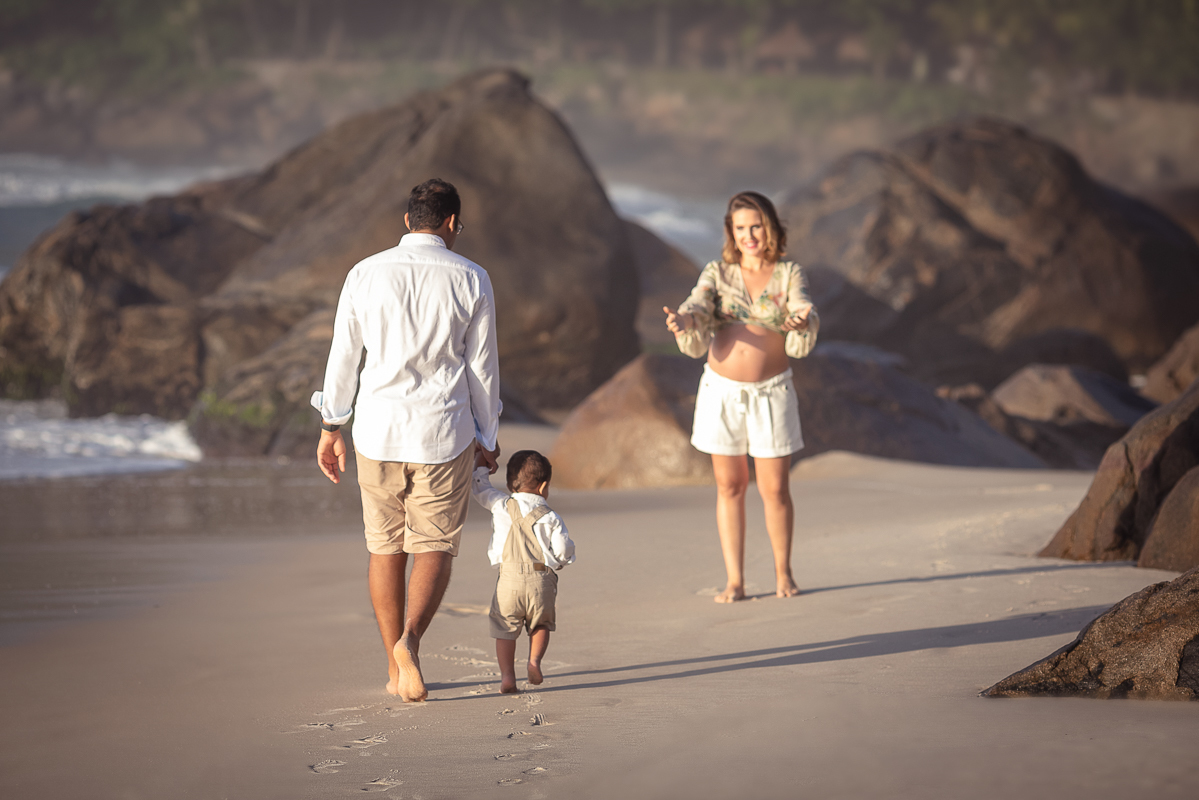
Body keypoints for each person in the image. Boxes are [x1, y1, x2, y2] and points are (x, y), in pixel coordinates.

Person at [312, 178, 502, 702]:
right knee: (435, 545)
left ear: (406, 221)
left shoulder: (364, 273)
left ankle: (394, 666)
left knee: (385, 547)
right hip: (443, 431)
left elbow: (344, 356)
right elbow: (482, 368)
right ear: (450, 224)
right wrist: (488, 434)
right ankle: (411, 643)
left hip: (377, 431)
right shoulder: (472, 277)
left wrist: (332, 426)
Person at [663, 191, 818, 603]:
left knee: (775, 490)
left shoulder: (788, 274)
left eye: (756, 226)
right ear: (730, 232)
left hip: (772, 393)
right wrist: (684, 319)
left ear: (769, 227)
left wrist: (802, 318)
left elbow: (803, 304)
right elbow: (698, 303)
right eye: (740, 228)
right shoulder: (718, 272)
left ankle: (783, 573)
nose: (749, 235)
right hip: (721, 393)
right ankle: (736, 580)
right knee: (730, 487)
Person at [470, 449, 575, 694]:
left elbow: (479, 488)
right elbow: (562, 548)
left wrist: (481, 464)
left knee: (504, 629)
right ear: (544, 486)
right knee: (541, 624)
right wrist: (561, 561)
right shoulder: (551, 516)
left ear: (509, 484)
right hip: (541, 579)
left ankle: (507, 677)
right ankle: (534, 662)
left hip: (508, 579)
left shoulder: (500, 504)